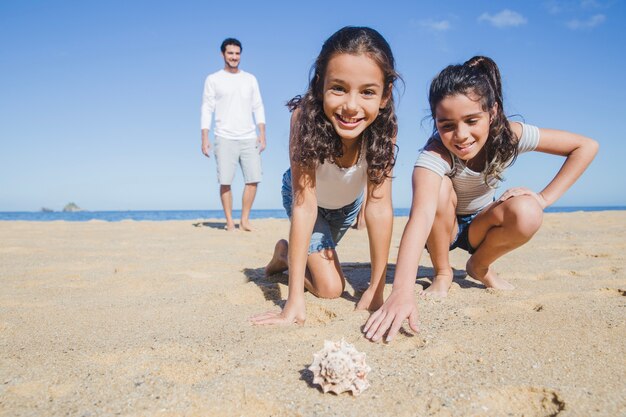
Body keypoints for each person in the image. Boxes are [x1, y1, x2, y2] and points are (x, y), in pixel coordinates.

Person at [364, 56, 598, 342]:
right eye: (447, 125)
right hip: (443, 228)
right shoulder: (433, 157)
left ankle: (479, 266)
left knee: (528, 212)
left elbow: (585, 146)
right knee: (438, 190)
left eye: (472, 120)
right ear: (435, 121)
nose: (461, 135)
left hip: (480, 224)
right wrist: (402, 291)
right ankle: (442, 272)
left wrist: (543, 198)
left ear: (493, 112)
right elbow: (421, 217)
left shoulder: (510, 136)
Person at [250, 26, 400, 325]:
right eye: (339, 88)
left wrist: (376, 287)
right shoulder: (303, 118)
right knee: (330, 288)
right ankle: (287, 255)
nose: (351, 106)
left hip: (347, 208)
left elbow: (379, 206)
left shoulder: (385, 128)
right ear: (320, 86)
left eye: (368, 92)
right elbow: (304, 205)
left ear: (385, 96)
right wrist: (293, 301)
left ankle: (288, 254)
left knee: (326, 270)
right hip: (308, 201)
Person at [201, 38, 266, 231]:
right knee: (225, 181)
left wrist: (262, 133)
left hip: (249, 136)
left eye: (237, 53)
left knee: (253, 179)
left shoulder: (250, 79)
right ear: (223, 54)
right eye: (230, 53)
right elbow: (207, 108)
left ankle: (244, 220)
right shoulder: (213, 79)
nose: (234, 57)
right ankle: (230, 221)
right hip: (224, 136)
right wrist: (204, 137)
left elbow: (258, 106)